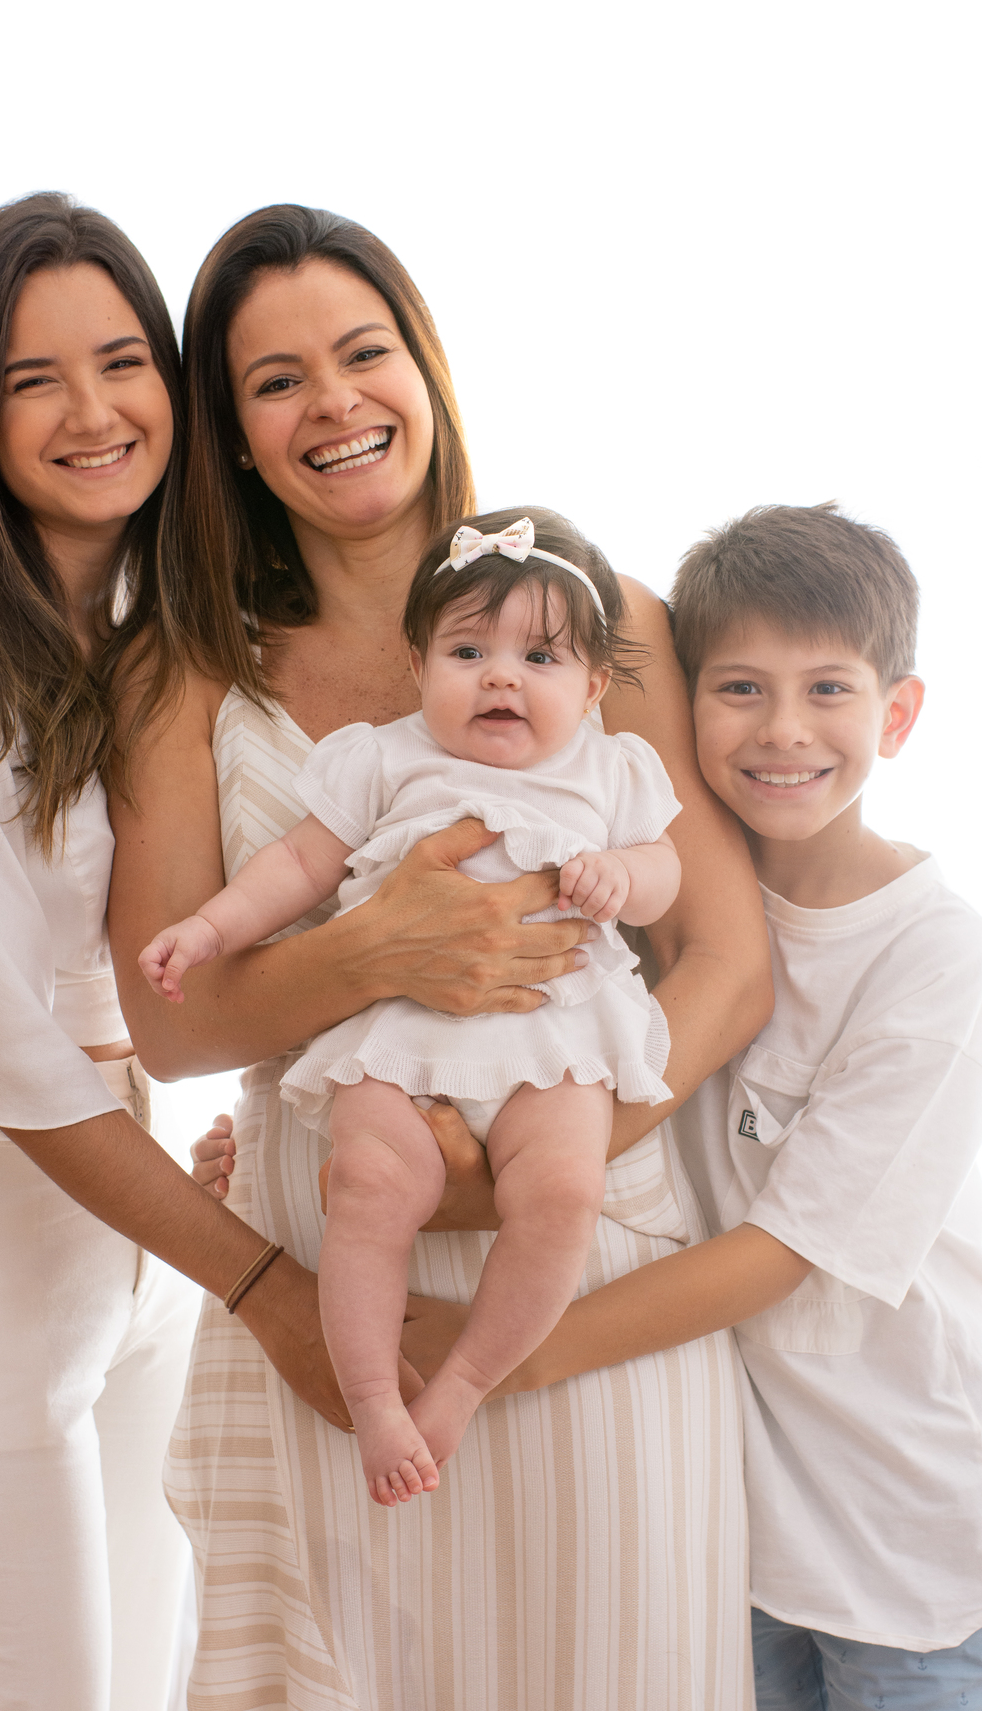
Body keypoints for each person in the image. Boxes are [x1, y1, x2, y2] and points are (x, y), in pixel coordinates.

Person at [110, 202, 773, 1709]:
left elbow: (725, 962)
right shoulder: (187, 670)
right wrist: (376, 951)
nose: (333, 402)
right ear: (231, 437)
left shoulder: (609, 621)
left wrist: (547, 1158)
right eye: (276, 381)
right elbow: (177, 1031)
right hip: (337, 1264)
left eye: (364, 353)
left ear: (426, 369)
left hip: (589, 1254)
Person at [0, 193, 367, 1711]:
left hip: (133, 1245)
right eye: (33, 380)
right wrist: (265, 1288)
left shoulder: (159, 629)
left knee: (141, 1684)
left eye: (122, 363)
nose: (94, 413)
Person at [404, 503, 982, 1708]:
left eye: (828, 691)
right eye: (739, 690)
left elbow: (784, 1252)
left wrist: (499, 1359)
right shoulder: (658, 908)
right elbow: (517, 1049)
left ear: (898, 715)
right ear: (679, 703)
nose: (784, 730)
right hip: (739, 1529)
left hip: (911, 1546)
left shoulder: (934, 960)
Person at [143, 509, 681, 1506]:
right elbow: (297, 864)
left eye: (540, 657)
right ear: (418, 664)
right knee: (368, 1186)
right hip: (401, 1035)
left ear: (594, 688)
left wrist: (625, 877)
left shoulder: (609, 769)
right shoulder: (385, 758)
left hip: (554, 1035)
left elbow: (663, 871)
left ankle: (467, 1380)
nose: (501, 678)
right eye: (468, 652)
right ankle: (373, 1398)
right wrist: (210, 929)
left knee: (562, 1194)